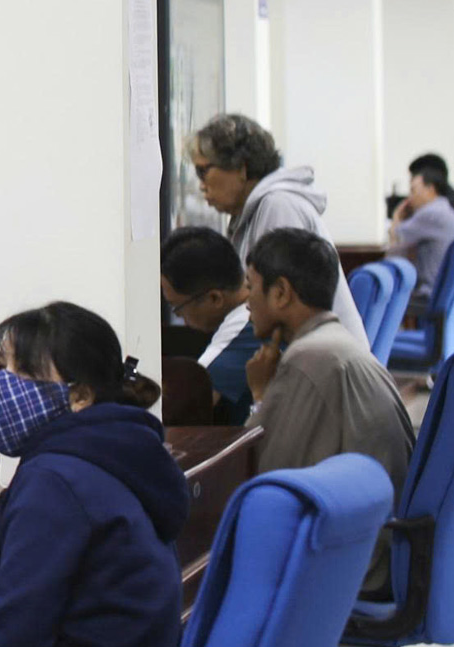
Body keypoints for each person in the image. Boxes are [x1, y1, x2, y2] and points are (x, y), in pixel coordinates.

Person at [0, 302, 188, 647]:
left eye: (23, 371)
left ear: (80, 395)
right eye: (2, 367)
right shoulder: (121, 452)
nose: (2, 385)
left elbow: (17, 633)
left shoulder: (55, 479)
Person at [244, 227, 414, 598]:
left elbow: (265, 482)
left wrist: (260, 394)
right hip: (386, 547)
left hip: (359, 564)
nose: (246, 300)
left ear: (281, 292)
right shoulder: (339, 345)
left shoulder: (311, 359)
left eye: (251, 286)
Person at [188, 113, 367, 344]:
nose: (201, 185)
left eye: (203, 171)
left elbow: (278, 309)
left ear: (241, 168)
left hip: (324, 360)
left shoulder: (279, 205)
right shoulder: (253, 210)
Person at [161, 227, 257, 424]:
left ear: (215, 298)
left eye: (178, 307)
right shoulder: (249, 312)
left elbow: (178, 407)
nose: (181, 318)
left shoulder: (245, 327)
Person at [389, 154, 454, 295]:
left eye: (413, 190)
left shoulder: (430, 213)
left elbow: (396, 237)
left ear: (430, 188)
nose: (409, 198)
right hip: (443, 295)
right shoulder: (445, 208)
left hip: (428, 293)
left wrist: (396, 216)